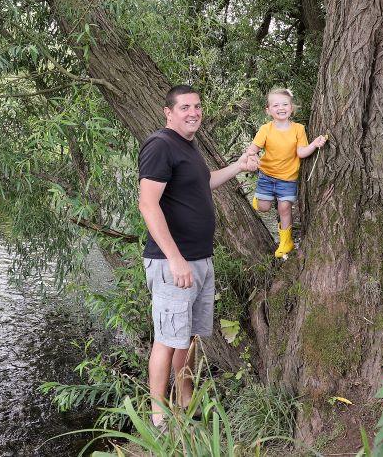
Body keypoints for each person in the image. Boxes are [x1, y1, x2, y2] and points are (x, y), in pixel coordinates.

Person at [138, 84, 258, 428]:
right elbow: (148, 204)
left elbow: (203, 183)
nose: (193, 112)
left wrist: (238, 166)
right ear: (169, 112)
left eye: (197, 106)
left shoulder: (188, 146)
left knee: (186, 335)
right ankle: (158, 417)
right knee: (166, 338)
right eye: (185, 107)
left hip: (199, 259)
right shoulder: (160, 145)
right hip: (173, 262)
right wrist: (174, 258)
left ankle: (186, 400)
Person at [245, 88, 327, 258]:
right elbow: (253, 148)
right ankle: (258, 200)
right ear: (268, 110)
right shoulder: (265, 129)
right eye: (276, 105)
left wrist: (314, 144)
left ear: (291, 108)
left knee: (284, 208)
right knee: (264, 207)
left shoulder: (298, 129)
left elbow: (301, 152)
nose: (281, 108)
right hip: (267, 176)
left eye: (285, 104)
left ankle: (286, 242)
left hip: (288, 179)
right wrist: (250, 155)